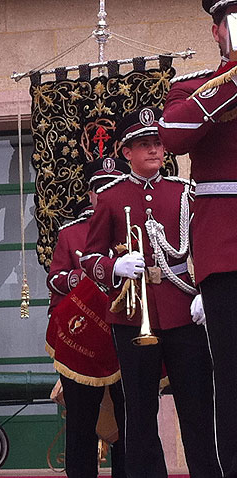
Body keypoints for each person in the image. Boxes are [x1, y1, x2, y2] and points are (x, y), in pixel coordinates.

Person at [80, 108, 220, 478]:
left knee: (197, 405)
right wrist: (114, 268)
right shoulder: (110, 196)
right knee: (140, 412)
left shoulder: (183, 192)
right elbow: (89, 256)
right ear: (126, 151)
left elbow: (205, 244)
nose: (155, 150)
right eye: (144, 144)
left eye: (157, 143)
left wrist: (205, 292)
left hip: (183, 307)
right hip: (131, 312)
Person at [158, 2, 237, 475]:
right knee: (231, 377)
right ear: (216, 30)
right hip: (227, 250)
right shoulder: (194, 87)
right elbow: (173, 134)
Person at [46, 157, 129, 478]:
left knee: (131, 420)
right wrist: (80, 279)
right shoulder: (71, 233)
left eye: (112, 187)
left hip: (126, 336)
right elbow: (54, 279)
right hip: (83, 340)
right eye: (99, 189)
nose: (104, 194)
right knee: (81, 422)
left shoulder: (137, 227)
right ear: (91, 194)